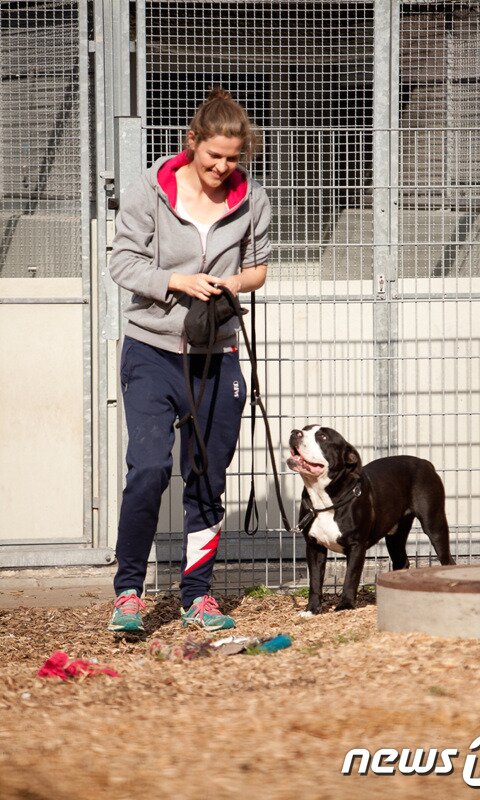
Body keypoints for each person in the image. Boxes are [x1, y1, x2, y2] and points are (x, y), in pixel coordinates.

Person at [107, 88, 271, 632]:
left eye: (233, 158)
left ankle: (197, 595)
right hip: (152, 349)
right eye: (213, 157)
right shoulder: (149, 191)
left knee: (206, 476)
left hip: (215, 353)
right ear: (192, 143)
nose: (223, 167)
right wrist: (175, 280)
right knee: (150, 467)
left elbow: (258, 270)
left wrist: (229, 283)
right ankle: (128, 591)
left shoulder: (252, 200)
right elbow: (124, 264)